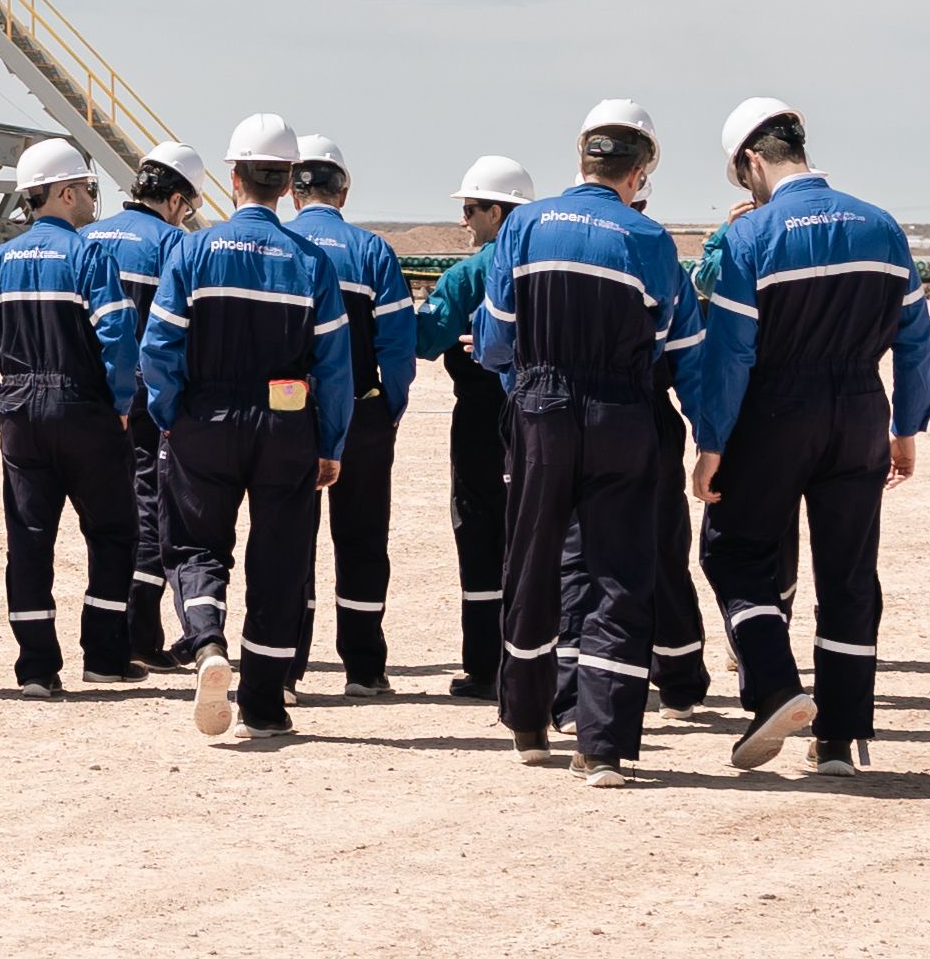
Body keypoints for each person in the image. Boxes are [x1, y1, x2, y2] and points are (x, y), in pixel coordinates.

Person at [681, 97, 930, 773]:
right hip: (859, 412)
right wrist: (906, 426)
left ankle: (775, 688)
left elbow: (731, 352)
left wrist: (710, 442)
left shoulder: (749, 237)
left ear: (752, 161)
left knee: (733, 555)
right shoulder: (882, 227)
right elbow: (914, 336)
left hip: (773, 413)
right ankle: (841, 739)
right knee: (849, 576)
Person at [475, 99, 708, 785]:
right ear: (643, 170)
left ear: (580, 156)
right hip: (622, 413)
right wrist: (710, 435)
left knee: (532, 560)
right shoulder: (649, 241)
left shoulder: (523, 226)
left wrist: (529, 385)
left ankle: (526, 722)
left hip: (540, 407)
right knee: (618, 574)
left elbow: (493, 339)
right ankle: (601, 745)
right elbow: (679, 346)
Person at [132, 113, 353, 748]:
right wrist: (330, 443)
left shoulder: (192, 251)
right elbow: (334, 368)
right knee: (280, 559)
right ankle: (263, 703)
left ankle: (206, 644)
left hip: (204, 418)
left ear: (233, 177)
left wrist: (170, 413)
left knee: (198, 546)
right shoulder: (310, 261)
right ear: (287, 183)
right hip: (287, 424)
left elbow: (159, 348)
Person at [0, 136, 141, 689]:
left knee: (30, 540)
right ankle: (103, 659)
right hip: (84, 410)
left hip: (22, 415)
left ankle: (37, 667)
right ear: (63, 192)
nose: (88, 198)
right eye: (83, 188)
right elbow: (117, 337)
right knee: (110, 533)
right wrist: (121, 403)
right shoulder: (89, 256)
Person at [284, 139, 411, 695]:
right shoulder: (371, 251)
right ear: (345, 190)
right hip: (361, 413)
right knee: (361, 539)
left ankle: (285, 665)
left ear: (293, 191)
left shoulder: (277, 248)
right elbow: (397, 343)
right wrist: (392, 406)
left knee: (289, 538)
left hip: (287, 415)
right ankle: (363, 668)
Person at [84, 140, 201, 664]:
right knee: (151, 506)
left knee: (105, 514)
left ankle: (104, 626)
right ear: (176, 199)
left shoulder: (84, 237)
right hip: (145, 401)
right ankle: (139, 631)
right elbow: (176, 334)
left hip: (85, 401)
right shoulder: (172, 244)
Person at [425, 155, 535, 695]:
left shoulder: (467, 274)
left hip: (479, 417)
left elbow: (426, 339)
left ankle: (485, 663)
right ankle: (539, 657)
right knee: (534, 534)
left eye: (471, 209)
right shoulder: (544, 259)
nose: (465, 220)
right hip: (539, 415)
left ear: (496, 210)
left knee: (478, 532)